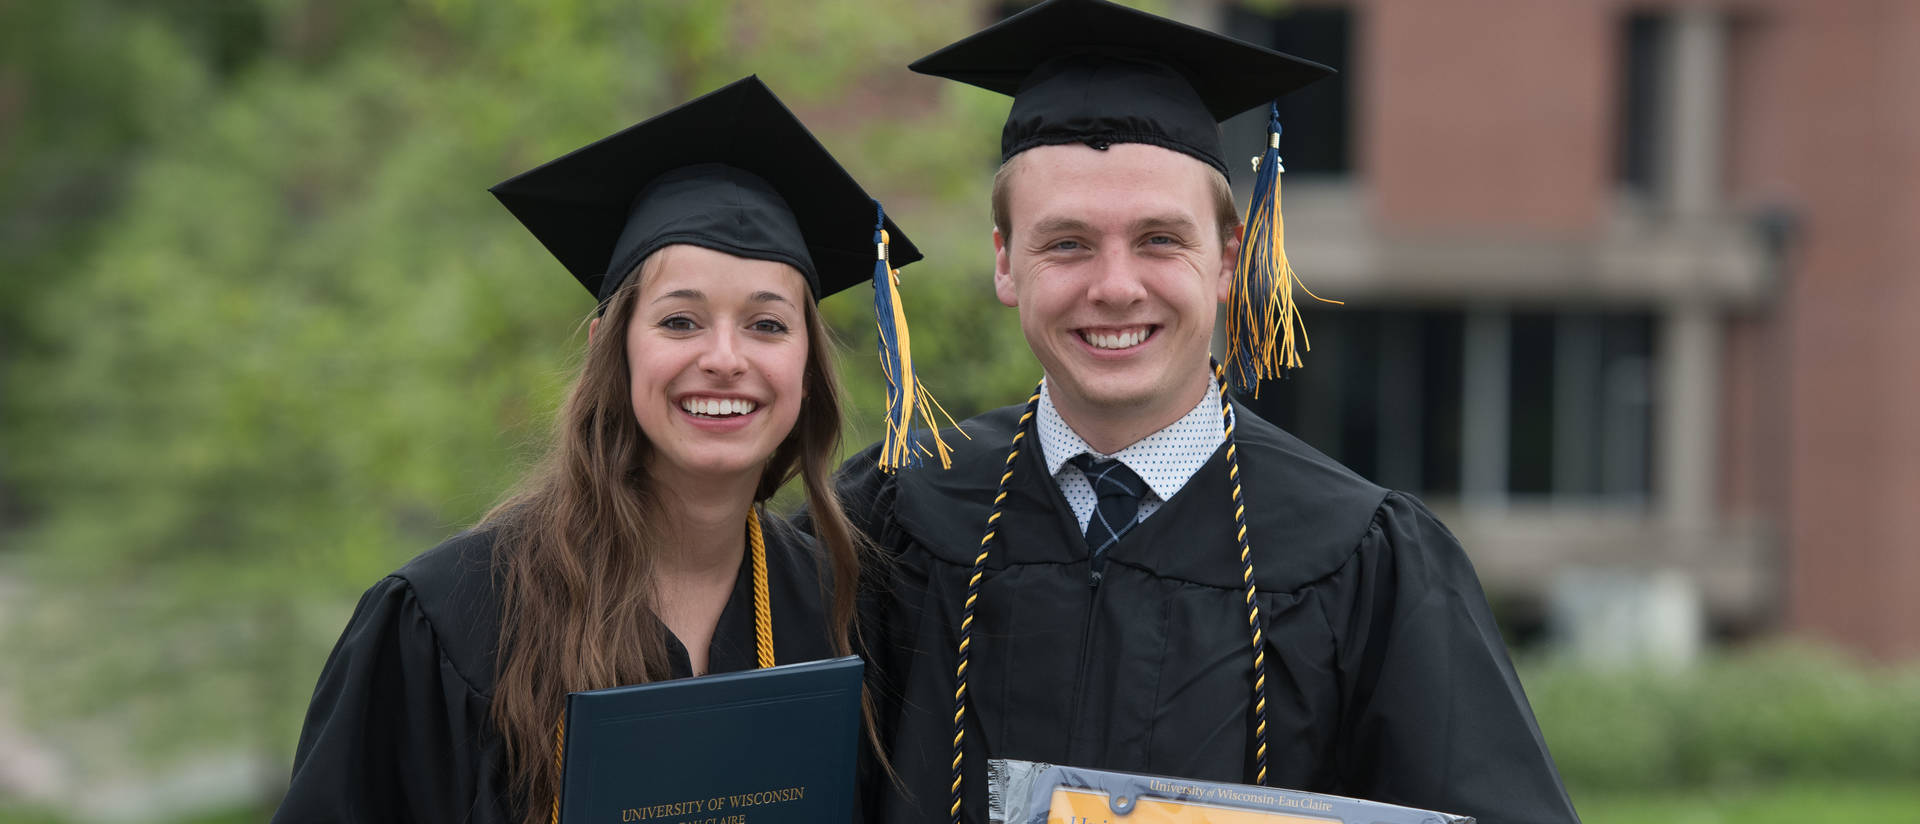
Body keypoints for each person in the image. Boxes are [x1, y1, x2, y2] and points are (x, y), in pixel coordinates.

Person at [819, 3, 1581, 823]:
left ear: (1227, 256)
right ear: (1006, 263)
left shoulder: (1363, 560)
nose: (1115, 287)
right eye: (1067, 242)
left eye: (1158, 240)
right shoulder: (895, 519)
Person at [272, 76, 930, 824]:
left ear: (807, 368)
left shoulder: (839, 606)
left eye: (767, 325)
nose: (724, 357)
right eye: (680, 322)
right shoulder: (450, 620)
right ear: (609, 350)